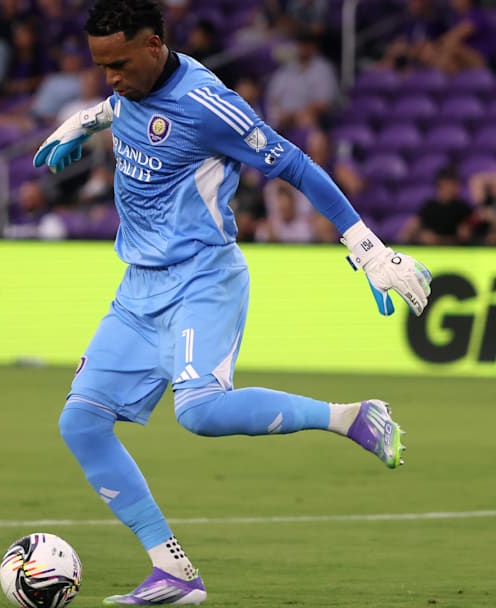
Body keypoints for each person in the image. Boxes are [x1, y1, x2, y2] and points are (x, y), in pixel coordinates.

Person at [32, 1, 432, 604]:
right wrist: (83, 123)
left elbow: (295, 164)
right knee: (81, 424)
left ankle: (351, 417)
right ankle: (174, 573)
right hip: (138, 288)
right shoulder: (129, 90)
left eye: (118, 63)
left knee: (199, 411)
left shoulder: (206, 104)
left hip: (202, 278)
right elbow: (119, 105)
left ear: (155, 45)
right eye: (100, 65)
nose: (110, 76)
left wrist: (368, 248)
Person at [400, 165, 473, 245]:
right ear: (440, 185)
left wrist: (438, 240)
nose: (451, 189)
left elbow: (464, 238)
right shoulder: (429, 206)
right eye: (447, 184)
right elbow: (413, 227)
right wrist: (418, 235)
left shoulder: (463, 209)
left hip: (454, 252)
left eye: (454, 185)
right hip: (429, 251)